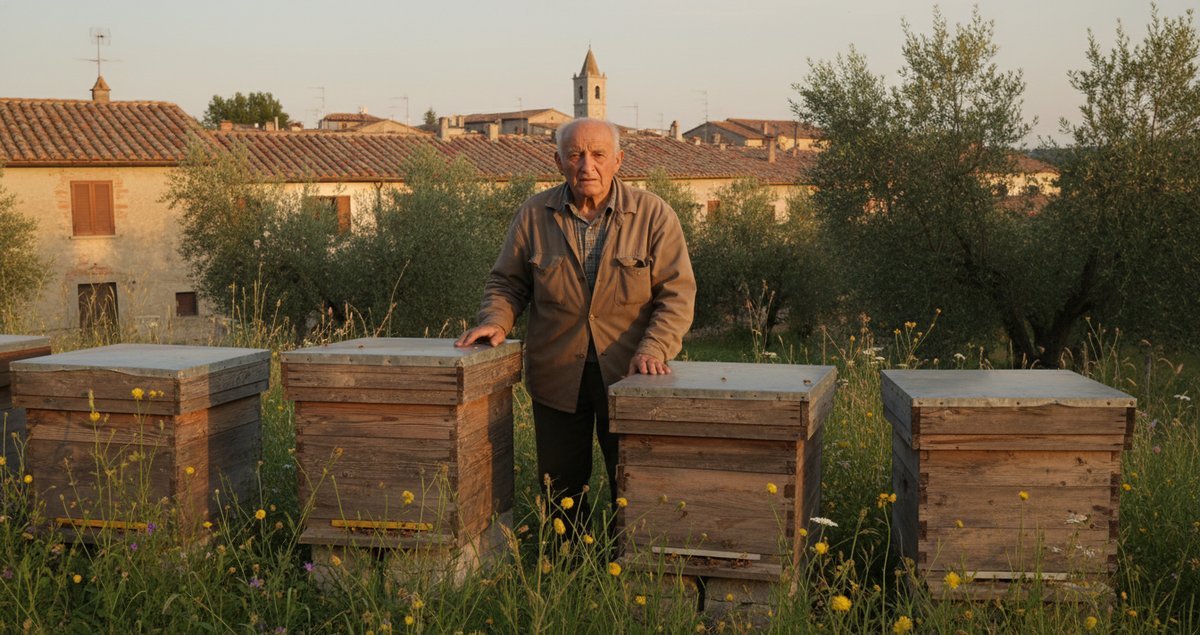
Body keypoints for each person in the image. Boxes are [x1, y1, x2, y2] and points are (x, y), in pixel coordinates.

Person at [455, 117, 695, 533]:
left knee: (635, 484)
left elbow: (677, 294)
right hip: (557, 376)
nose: (587, 165)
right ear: (558, 161)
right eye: (575, 155)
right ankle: (565, 570)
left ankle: (631, 570)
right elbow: (507, 282)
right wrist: (496, 320)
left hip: (631, 376)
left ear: (618, 160)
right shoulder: (533, 215)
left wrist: (654, 347)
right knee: (562, 489)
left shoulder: (653, 215)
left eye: (599, 155)